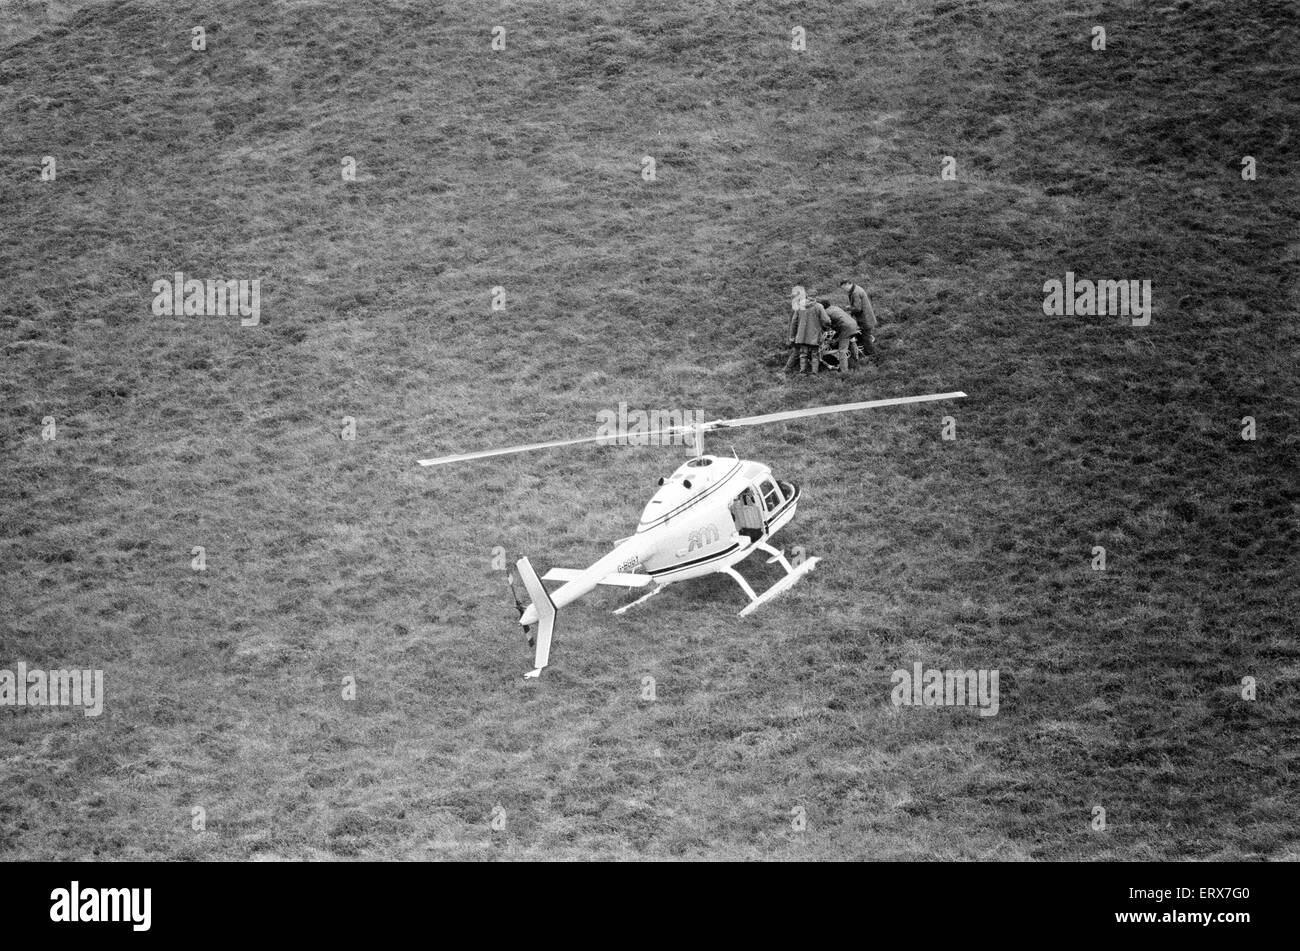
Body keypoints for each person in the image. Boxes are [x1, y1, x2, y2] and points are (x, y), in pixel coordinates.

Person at [783, 287, 831, 375]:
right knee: (815, 355)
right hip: (814, 335)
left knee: (803, 354)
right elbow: (826, 320)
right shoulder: (819, 306)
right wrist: (827, 326)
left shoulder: (799, 306)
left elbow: (794, 322)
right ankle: (814, 373)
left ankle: (802, 372)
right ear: (816, 296)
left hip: (801, 336)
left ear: (807, 295)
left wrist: (792, 336)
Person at [819, 298, 861, 373]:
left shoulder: (826, 312)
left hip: (845, 328)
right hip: (853, 324)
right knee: (852, 341)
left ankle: (844, 371)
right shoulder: (835, 307)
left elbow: (826, 323)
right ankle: (856, 359)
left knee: (842, 350)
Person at [840, 279, 876, 357]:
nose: (844, 290)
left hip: (865, 319)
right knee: (865, 336)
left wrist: (849, 308)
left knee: (866, 338)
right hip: (866, 317)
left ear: (847, 284)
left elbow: (857, 308)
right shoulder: (856, 289)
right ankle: (866, 350)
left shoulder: (855, 293)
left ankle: (870, 355)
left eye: (844, 288)